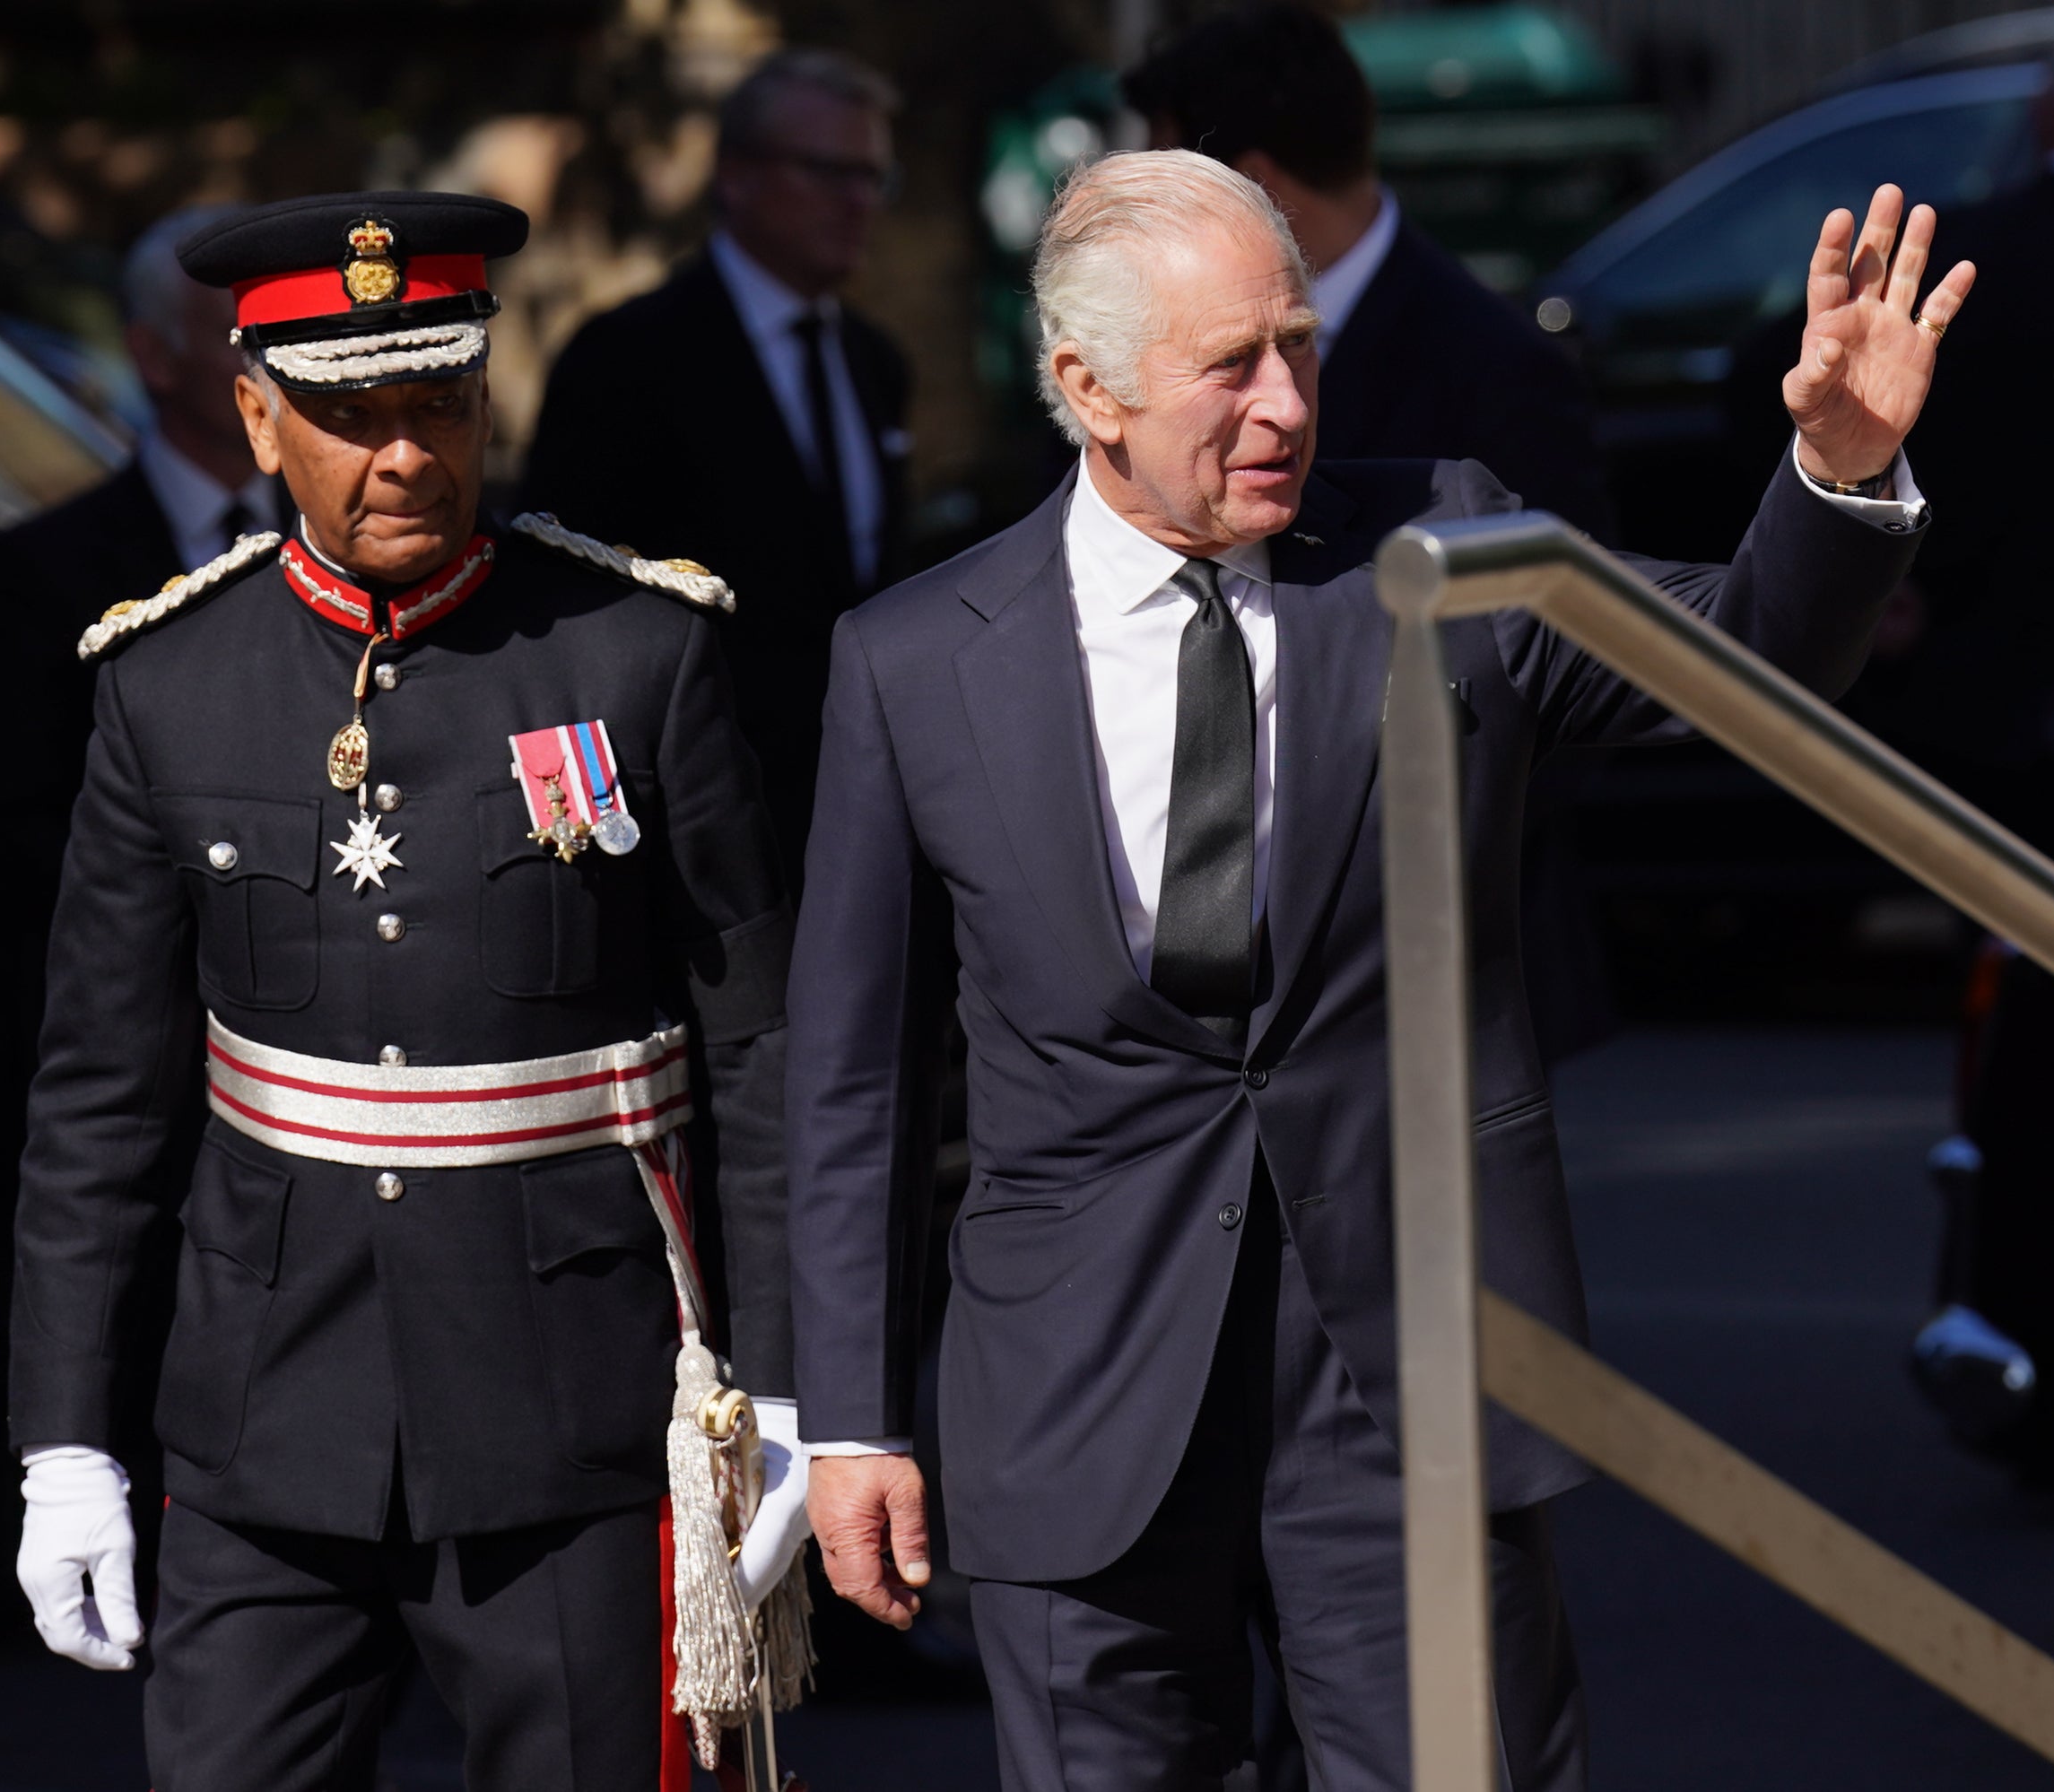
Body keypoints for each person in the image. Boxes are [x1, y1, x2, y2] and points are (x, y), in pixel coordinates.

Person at [788, 152, 1968, 1789]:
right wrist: (848, 1416)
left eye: (1301, 344)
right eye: (1230, 365)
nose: (1285, 403)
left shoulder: (1449, 546)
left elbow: (1739, 675)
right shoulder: (914, 662)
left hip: (1408, 1376)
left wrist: (1836, 471)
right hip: (1077, 1398)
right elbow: (849, 1075)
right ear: (1087, 387)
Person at [4, 191, 807, 1791]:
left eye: (436, 403)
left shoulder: (636, 653)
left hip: (565, 1415)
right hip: (264, 1424)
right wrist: (64, 1437)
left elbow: (764, 1054)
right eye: (350, 415)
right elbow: (102, 1092)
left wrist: (789, 1381)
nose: (405, 454)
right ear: (253, 415)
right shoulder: (170, 683)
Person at [1127, 0, 1623, 1066]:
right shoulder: (1132, 349)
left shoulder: (1492, 366)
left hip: (1436, 974)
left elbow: (1570, 658)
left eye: (1167, 171)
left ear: (1250, 180)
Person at [1746, 10, 2054, 890]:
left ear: (2042, 117)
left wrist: (1874, 580)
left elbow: (1768, 383)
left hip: (1947, 688)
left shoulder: (1956, 257)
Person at [526, 48, 911, 877]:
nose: (859, 203)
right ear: (737, 177)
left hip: (856, 812)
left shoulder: (875, 364)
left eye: (874, 177)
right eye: (830, 171)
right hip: (693, 827)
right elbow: (565, 611)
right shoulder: (628, 360)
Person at [0, 204, 284, 1103]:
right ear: (154, 357)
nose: (268, 365)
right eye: (237, 337)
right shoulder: (42, 574)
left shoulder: (343, 538)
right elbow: (7, 829)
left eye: (277, 334)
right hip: (149, 1041)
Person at [1124, 1, 1614, 540]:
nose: (1151, 216)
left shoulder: (1504, 378)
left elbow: (1562, 606)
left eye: (1177, 185)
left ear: (1254, 186)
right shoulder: (1126, 343)